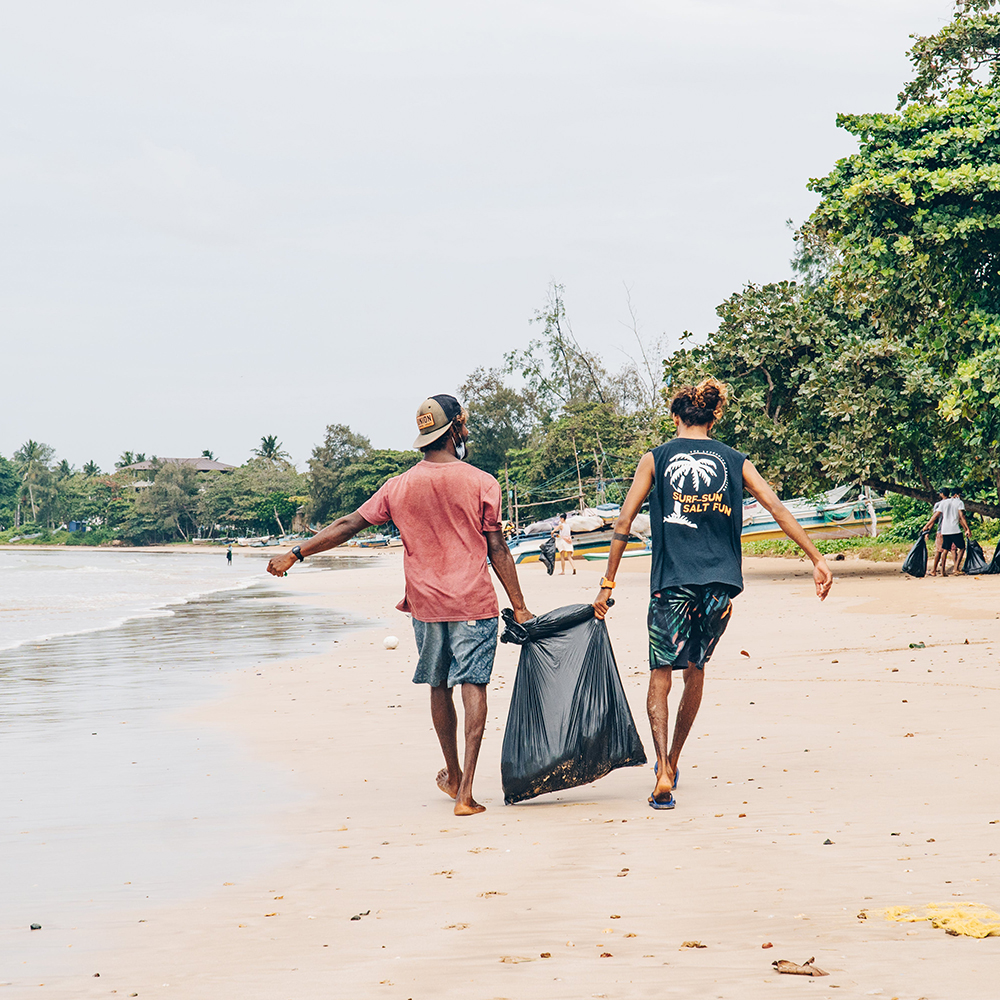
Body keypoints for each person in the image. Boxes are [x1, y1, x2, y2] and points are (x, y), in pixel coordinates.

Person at [267, 394, 533, 816]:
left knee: (439, 685)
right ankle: (465, 793)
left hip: (426, 605)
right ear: (456, 428)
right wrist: (519, 607)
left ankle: (452, 774)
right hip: (472, 601)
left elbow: (348, 525)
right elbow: (497, 547)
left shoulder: (398, 486)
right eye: (464, 425)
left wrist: (296, 553)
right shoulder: (482, 482)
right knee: (474, 685)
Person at [592, 378, 833, 811]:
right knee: (695, 669)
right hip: (720, 586)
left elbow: (624, 522)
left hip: (671, 583)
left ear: (675, 416)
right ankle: (673, 760)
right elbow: (775, 506)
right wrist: (816, 558)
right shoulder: (735, 460)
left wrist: (608, 582)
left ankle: (663, 771)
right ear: (713, 416)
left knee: (661, 673)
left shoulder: (655, 458)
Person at [923, 488, 970, 576]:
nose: (960, 497)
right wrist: (967, 529)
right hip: (955, 529)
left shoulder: (943, 503)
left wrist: (926, 525)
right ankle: (956, 568)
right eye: (960, 495)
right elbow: (961, 516)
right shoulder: (959, 503)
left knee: (945, 550)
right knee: (962, 548)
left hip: (944, 530)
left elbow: (935, 516)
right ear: (956, 495)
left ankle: (942, 571)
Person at [924, 490, 949, 577]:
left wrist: (927, 529)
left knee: (939, 551)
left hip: (941, 530)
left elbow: (934, 518)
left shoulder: (939, 504)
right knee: (952, 550)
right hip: (952, 530)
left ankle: (934, 570)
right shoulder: (953, 503)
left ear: (941, 494)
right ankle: (955, 569)